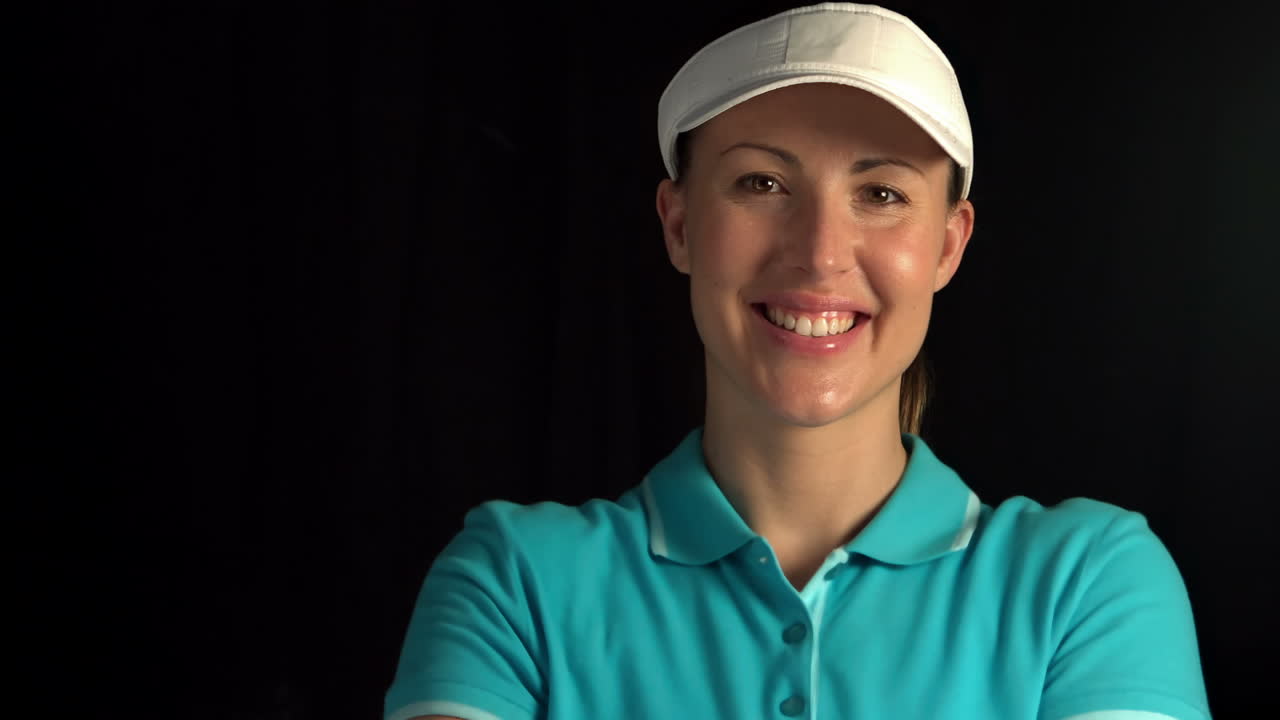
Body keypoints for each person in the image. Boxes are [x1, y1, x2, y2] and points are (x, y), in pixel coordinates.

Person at [385, 4, 1211, 719]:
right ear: (677, 225)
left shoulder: (1089, 583)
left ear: (948, 246)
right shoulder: (513, 583)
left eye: (881, 194)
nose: (819, 256)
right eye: (760, 183)